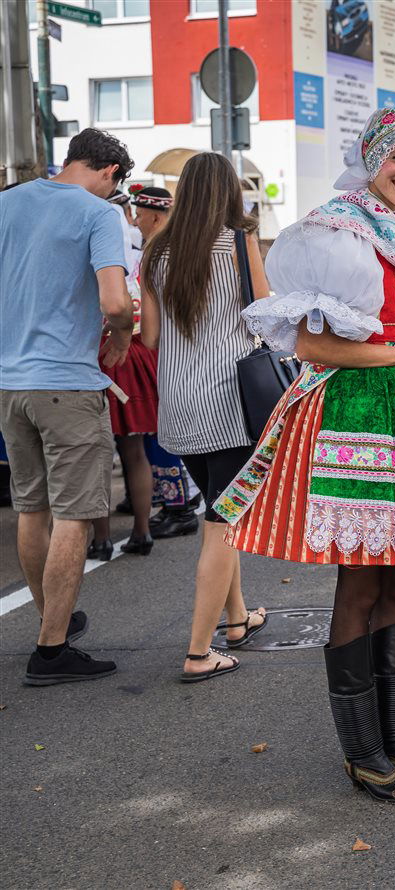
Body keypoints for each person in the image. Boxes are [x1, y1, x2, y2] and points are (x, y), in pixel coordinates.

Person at [215, 108, 395, 804]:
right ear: (371, 158)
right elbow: (313, 345)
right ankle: (361, 752)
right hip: (359, 415)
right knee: (361, 580)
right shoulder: (335, 229)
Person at [0, 128, 135, 685]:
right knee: (76, 513)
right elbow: (115, 301)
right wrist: (122, 334)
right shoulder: (99, 213)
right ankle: (52, 649)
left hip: (9, 383)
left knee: (31, 508)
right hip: (67, 384)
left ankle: (51, 620)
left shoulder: (8, 202)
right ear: (109, 172)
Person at [139, 152, 271, 680]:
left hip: (179, 404)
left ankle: (236, 620)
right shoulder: (239, 243)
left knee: (220, 514)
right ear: (229, 192)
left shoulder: (155, 250)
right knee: (222, 523)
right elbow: (265, 317)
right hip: (233, 405)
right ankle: (198, 653)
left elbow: (150, 337)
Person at [88, 190, 158, 560]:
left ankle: (100, 539)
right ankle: (142, 531)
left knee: (96, 453)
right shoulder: (142, 256)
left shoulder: (94, 256)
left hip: (101, 354)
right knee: (135, 451)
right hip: (137, 354)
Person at [131, 186, 202, 540]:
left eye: (139, 214)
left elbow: (151, 331)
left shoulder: (158, 252)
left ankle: (179, 505)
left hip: (161, 354)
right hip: (179, 356)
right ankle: (175, 499)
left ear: (156, 217)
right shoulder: (181, 247)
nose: (135, 221)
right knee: (154, 433)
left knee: (159, 434)